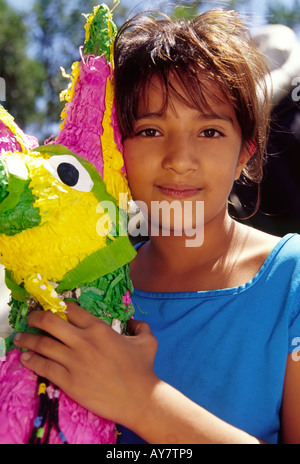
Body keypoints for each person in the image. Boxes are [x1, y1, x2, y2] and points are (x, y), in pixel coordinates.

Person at [13, 9, 300, 444]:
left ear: (245, 152)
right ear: (116, 148)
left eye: (209, 132)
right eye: (149, 130)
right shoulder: (81, 285)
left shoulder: (291, 280)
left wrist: (143, 402)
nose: (179, 159)